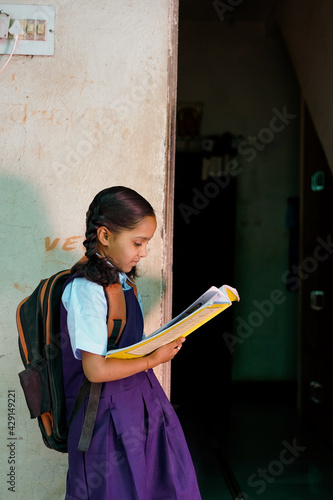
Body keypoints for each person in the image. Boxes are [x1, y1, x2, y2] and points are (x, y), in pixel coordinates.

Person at [60, 186, 202, 499]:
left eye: (146, 243)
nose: (144, 252)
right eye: (138, 242)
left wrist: (156, 344)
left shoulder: (122, 282)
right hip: (106, 418)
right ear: (105, 236)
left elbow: (122, 348)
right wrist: (154, 359)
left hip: (141, 407)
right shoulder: (87, 289)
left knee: (163, 488)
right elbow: (95, 369)